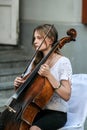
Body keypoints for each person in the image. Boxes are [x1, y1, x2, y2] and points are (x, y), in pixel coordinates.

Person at [14, 24, 72, 130]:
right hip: (34, 110)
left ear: (50, 40)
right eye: (34, 38)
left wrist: (49, 75)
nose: (35, 41)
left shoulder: (63, 62)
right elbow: (28, 91)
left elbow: (67, 95)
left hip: (56, 113)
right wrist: (19, 84)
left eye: (39, 38)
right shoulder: (36, 61)